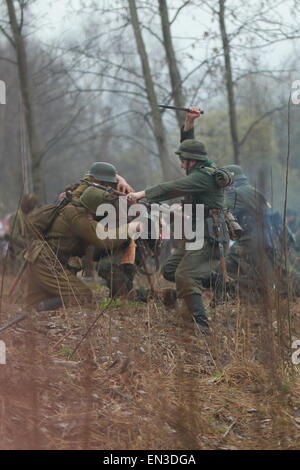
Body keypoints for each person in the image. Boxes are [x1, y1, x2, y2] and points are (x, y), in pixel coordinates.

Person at [127, 107, 228, 334]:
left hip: (209, 235)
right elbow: (189, 147)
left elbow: (171, 187)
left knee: (185, 275)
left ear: (193, 162)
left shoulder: (203, 177)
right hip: (197, 234)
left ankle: (201, 325)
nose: (182, 164)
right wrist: (189, 123)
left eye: (184, 161)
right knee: (171, 270)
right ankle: (218, 283)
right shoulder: (199, 168)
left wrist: (142, 194)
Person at [24, 183, 135, 312]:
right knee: (83, 295)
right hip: (47, 261)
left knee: (33, 303)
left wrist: (118, 178)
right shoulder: (79, 217)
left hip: (44, 258)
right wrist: (130, 228)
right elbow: (105, 239)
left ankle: (38, 315)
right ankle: (41, 311)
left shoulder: (75, 203)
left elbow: (89, 180)